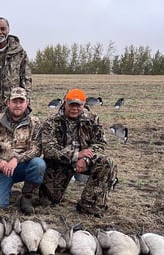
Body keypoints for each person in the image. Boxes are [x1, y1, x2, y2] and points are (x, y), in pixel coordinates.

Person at [39, 88, 118, 217]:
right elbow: (48, 149)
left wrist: (85, 159)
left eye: (78, 105)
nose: (75, 108)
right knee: (47, 201)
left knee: (107, 163)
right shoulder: (51, 122)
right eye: (71, 104)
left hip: (85, 161)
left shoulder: (92, 119)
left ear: (84, 104)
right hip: (60, 163)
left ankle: (90, 205)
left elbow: (100, 143)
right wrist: (76, 155)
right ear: (65, 102)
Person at [0, 87, 46, 215]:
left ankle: (27, 197)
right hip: (0, 169)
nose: (18, 105)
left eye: (21, 102)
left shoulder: (35, 122)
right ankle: (3, 189)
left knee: (38, 164)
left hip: (22, 166)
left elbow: (37, 148)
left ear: (27, 103)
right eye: (14, 101)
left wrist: (17, 159)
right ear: (8, 102)